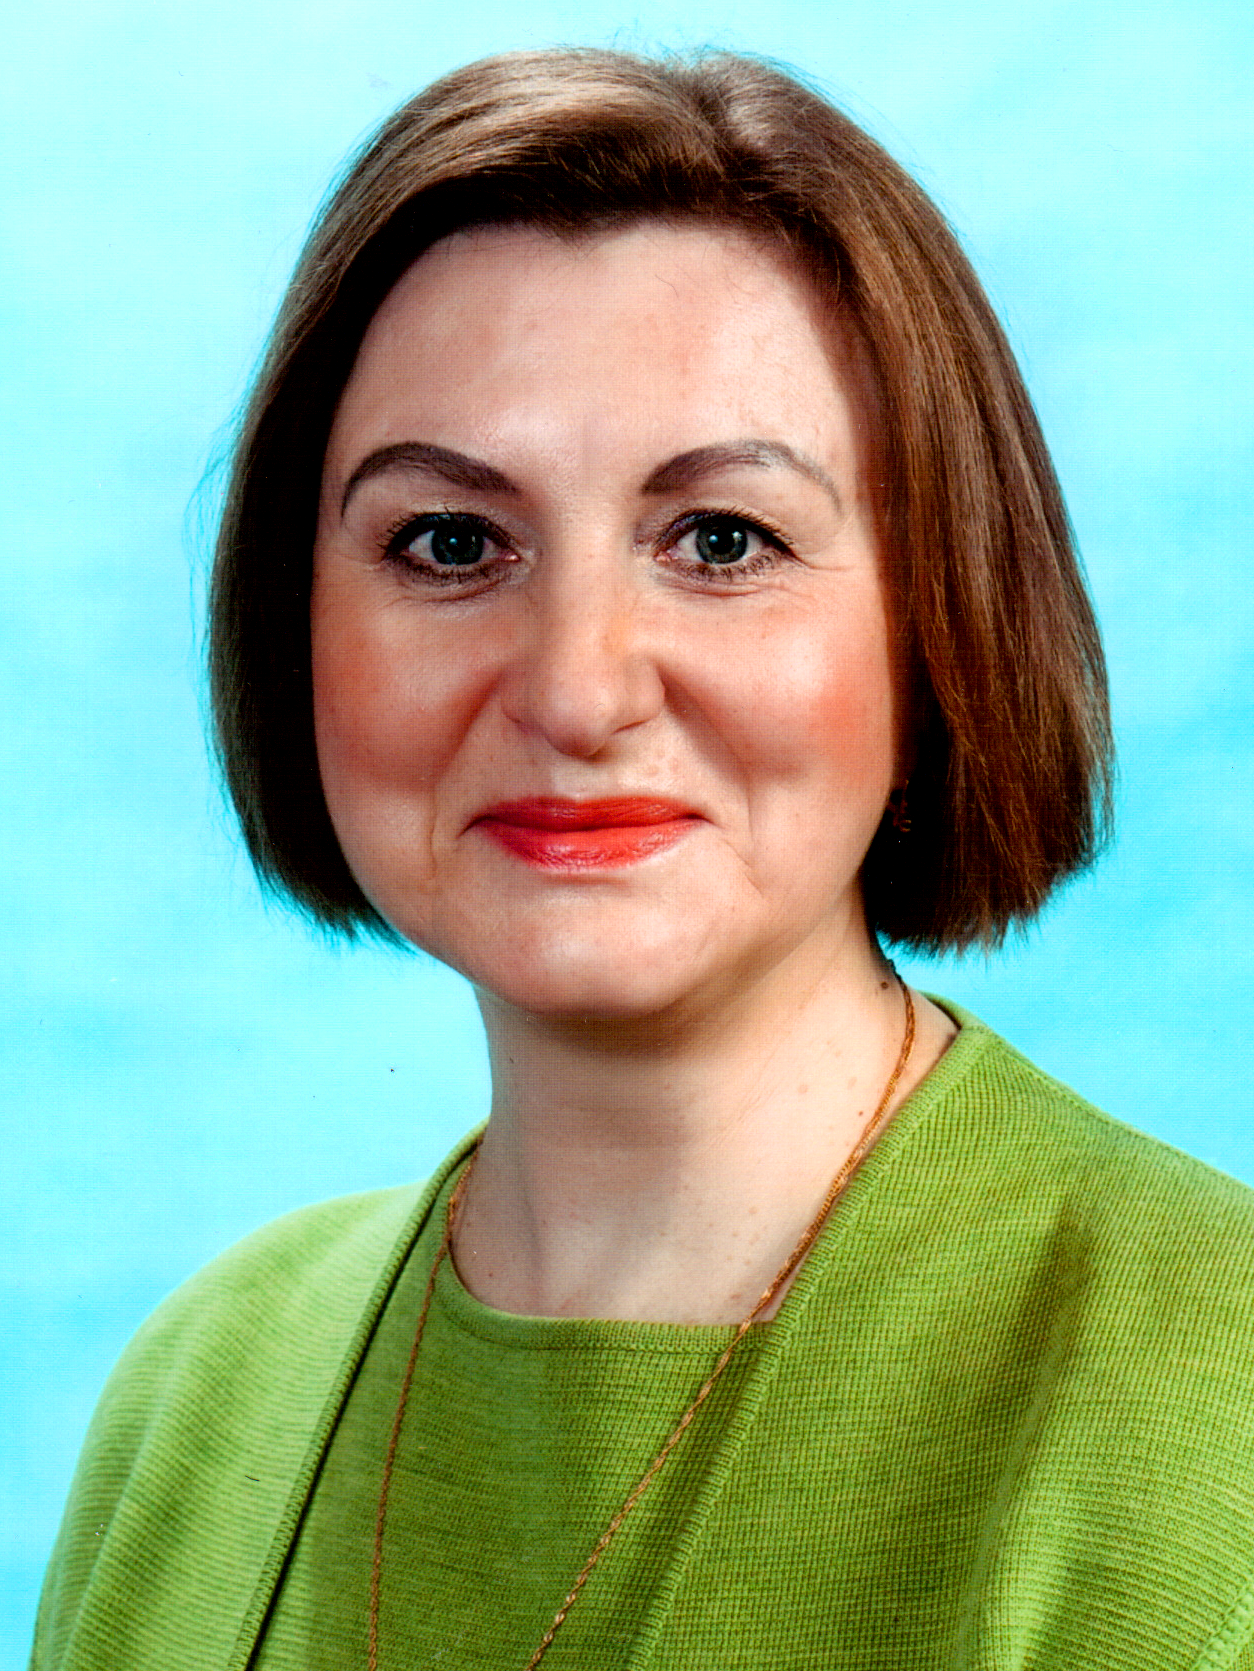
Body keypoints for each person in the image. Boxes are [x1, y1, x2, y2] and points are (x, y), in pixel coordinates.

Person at [30, 47, 1254, 1671]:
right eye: (450, 543)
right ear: (293, 623)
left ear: (936, 623)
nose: (575, 689)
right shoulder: (200, 1393)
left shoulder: (1213, 1411)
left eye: (721, 541)